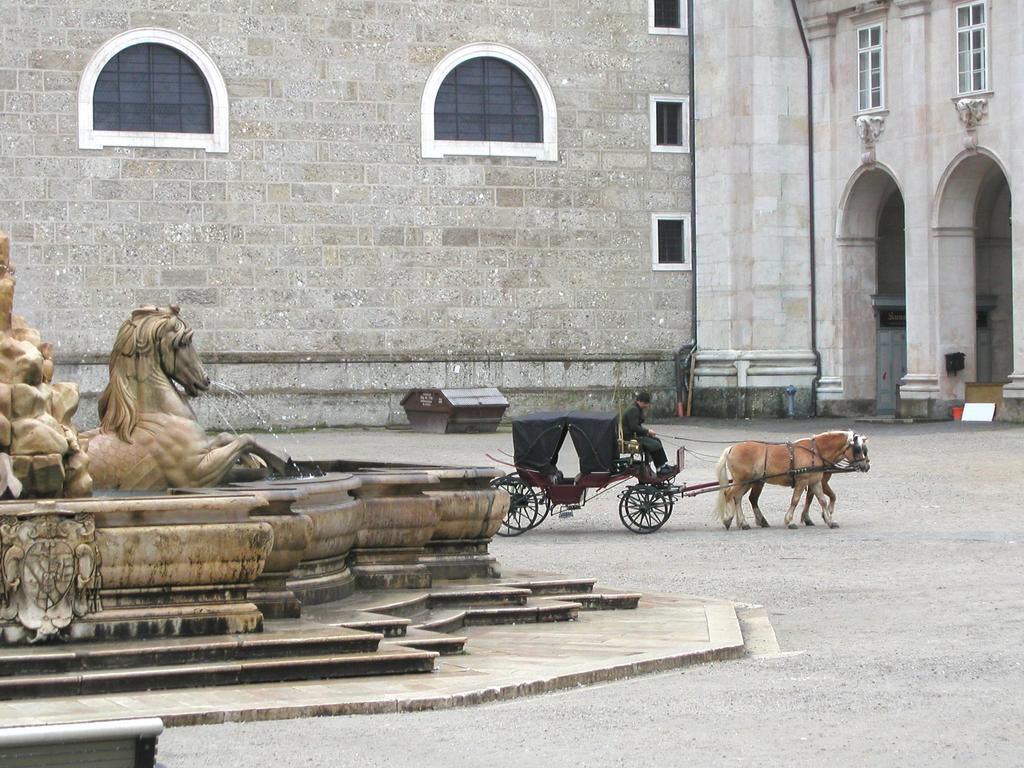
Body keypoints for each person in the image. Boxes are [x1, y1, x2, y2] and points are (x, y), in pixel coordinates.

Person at [622, 392, 675, 475]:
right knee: (655, 444)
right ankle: (660, 468)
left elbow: (636, 427)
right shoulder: (633, 410)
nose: (646, 406)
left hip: (634, 434)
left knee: (657, 441)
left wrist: (646, 433)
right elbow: (634, 427)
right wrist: (647, 431)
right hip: (631, 437)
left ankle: (662, 465)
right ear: (640, 401)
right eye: (645, 403)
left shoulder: (635, 408)